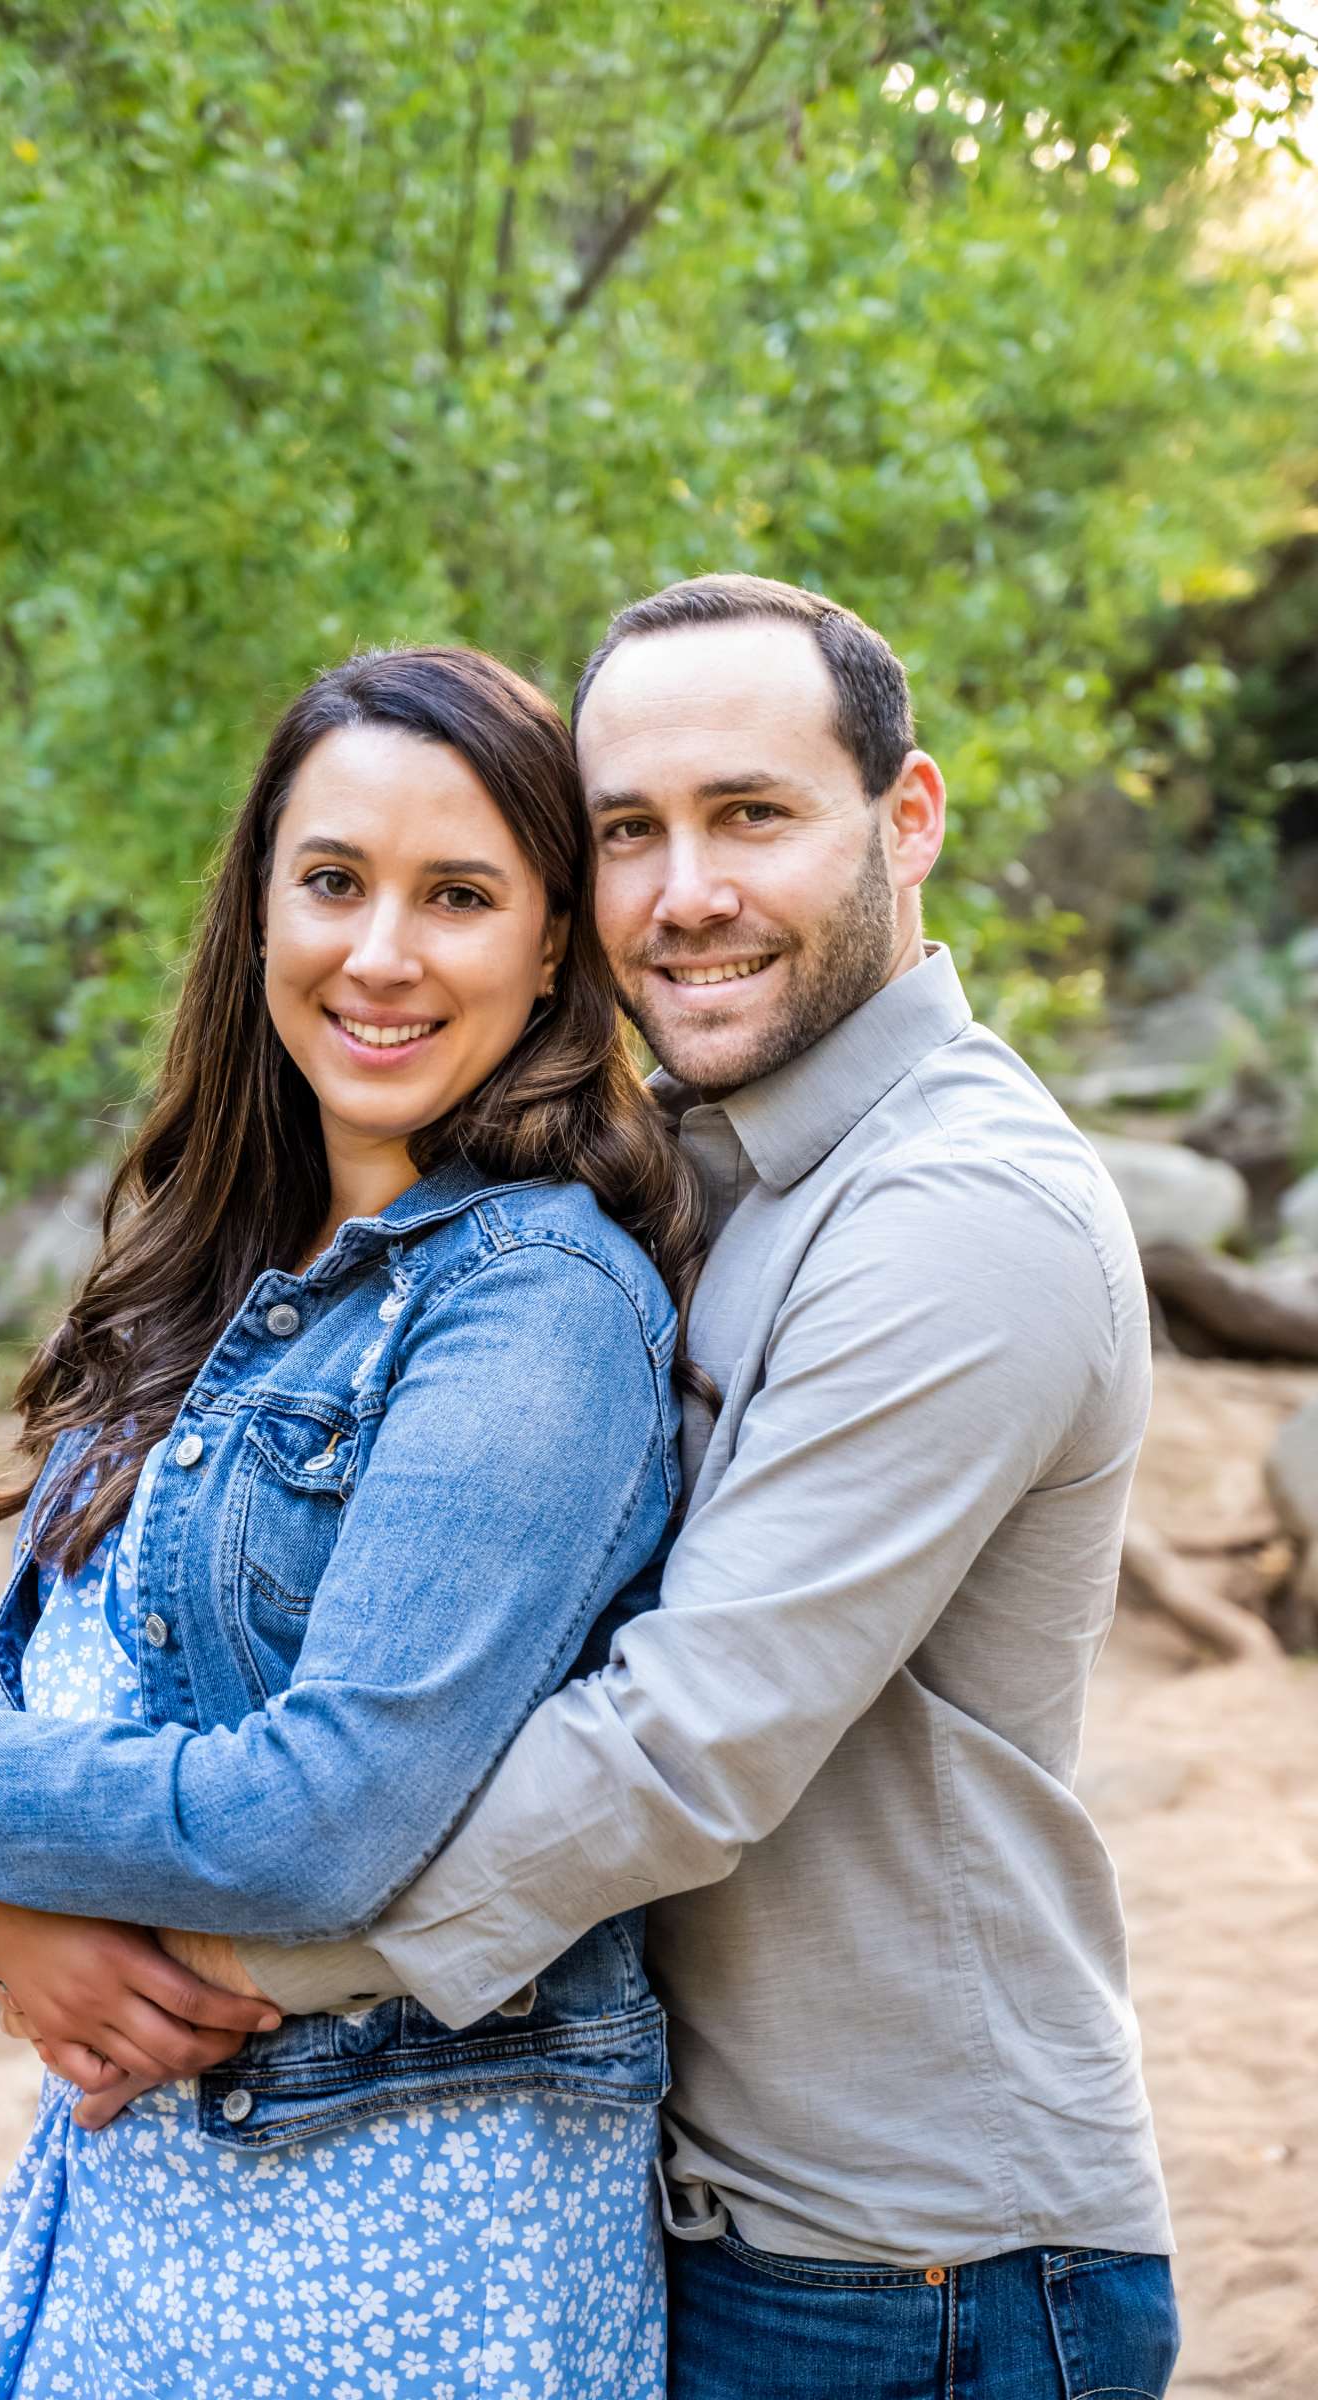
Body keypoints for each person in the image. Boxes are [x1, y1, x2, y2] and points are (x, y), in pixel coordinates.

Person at [208, 576, 1183, 2398]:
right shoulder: (696, 1180)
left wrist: (220, 1967)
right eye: (629, 833)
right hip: (705, 2211)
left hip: (914, 2266)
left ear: (909, 820)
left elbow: (677, 1745)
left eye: (753, 814)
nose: (686, 894)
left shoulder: (959, 1215)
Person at [0, 644, 713, 2397]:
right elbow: (68, 1734)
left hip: (403, 2257)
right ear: (258, 909)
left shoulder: (535, 1297)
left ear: (555, 945)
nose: (378, 953)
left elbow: (321, 1820)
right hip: (139, 2214)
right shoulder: (225, 1275)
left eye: (458, 896)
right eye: (332, 881)